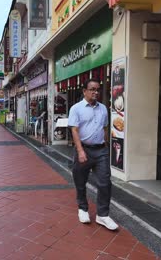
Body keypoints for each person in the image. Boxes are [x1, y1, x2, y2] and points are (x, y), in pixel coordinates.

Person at [67, 78, 118, 231]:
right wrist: (81, 150)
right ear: (85, 91)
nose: (96, 92)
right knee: (80, 182)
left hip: (101, 150)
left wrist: (106, 145)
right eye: (92, 89)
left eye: (97, 89)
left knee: (105, 182)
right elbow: (74, 130)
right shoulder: (76, 108)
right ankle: (83, 209)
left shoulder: (103, 108)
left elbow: (105, 128)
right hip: (84, 149)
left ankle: (103, 215)